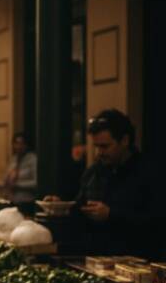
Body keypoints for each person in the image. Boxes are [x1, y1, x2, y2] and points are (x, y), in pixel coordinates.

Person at [48, 109, 162, 258]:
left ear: (125, 141)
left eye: (105, 146)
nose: (99, 153)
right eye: (96, 146)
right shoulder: (94, 172)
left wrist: (110, 215)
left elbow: (156, 221)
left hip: (135, 261)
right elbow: (81, 207)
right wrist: (62, 207)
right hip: (95, 259)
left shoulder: (149, 172)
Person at [3, 133, 38, 204]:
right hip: (12, 200)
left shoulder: (33, 159)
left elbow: (37, 182)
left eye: (22, 144)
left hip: (27, 201)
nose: (19, 146)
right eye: (16, 143)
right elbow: (7, 178)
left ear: (26, 145)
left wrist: (18, 185)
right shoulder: (14, 159)